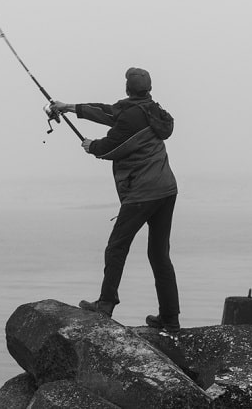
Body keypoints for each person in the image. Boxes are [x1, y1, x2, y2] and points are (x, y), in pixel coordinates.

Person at [52, 67, 180, 333]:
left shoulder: (129, 116)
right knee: (159, 255)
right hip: (167, 190)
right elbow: (106, 111)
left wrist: (91, 146)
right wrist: (69, 107)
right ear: (149, 89)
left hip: (143, 193)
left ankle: (106, 304)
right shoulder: (152, 111)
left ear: (127, 89)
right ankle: (170, 318)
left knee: (116, 247)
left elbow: (111, 146)